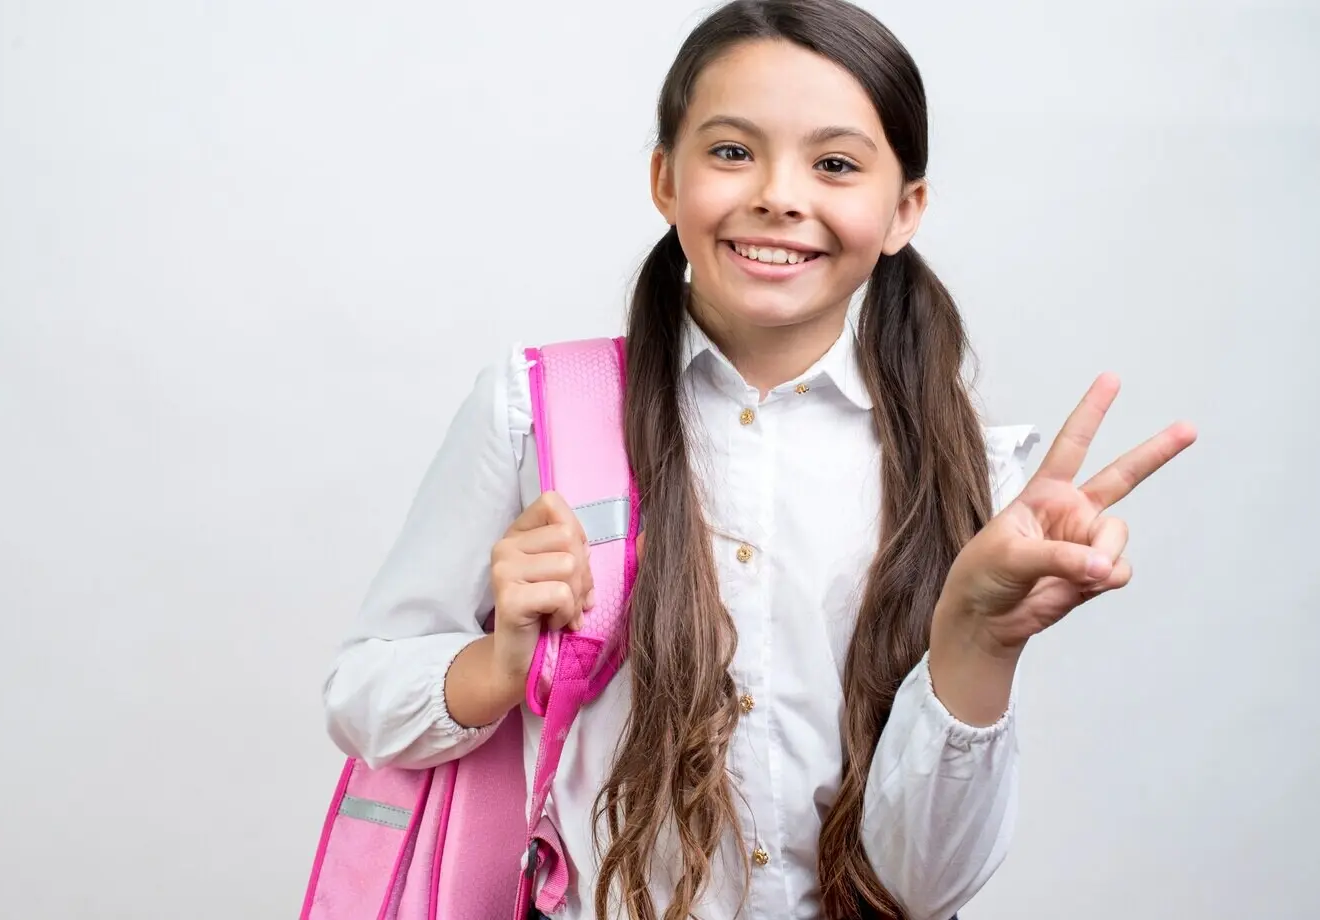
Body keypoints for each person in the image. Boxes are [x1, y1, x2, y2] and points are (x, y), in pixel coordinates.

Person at [321, 1, 1196, 918]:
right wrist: (501, 669)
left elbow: (923, 889)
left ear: (905, 210)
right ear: (665, 179)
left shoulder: (968, 473)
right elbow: (361, 694)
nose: (779, 194)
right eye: (732, 151)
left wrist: (981, 634)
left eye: (835, 164)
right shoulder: (535, 412)